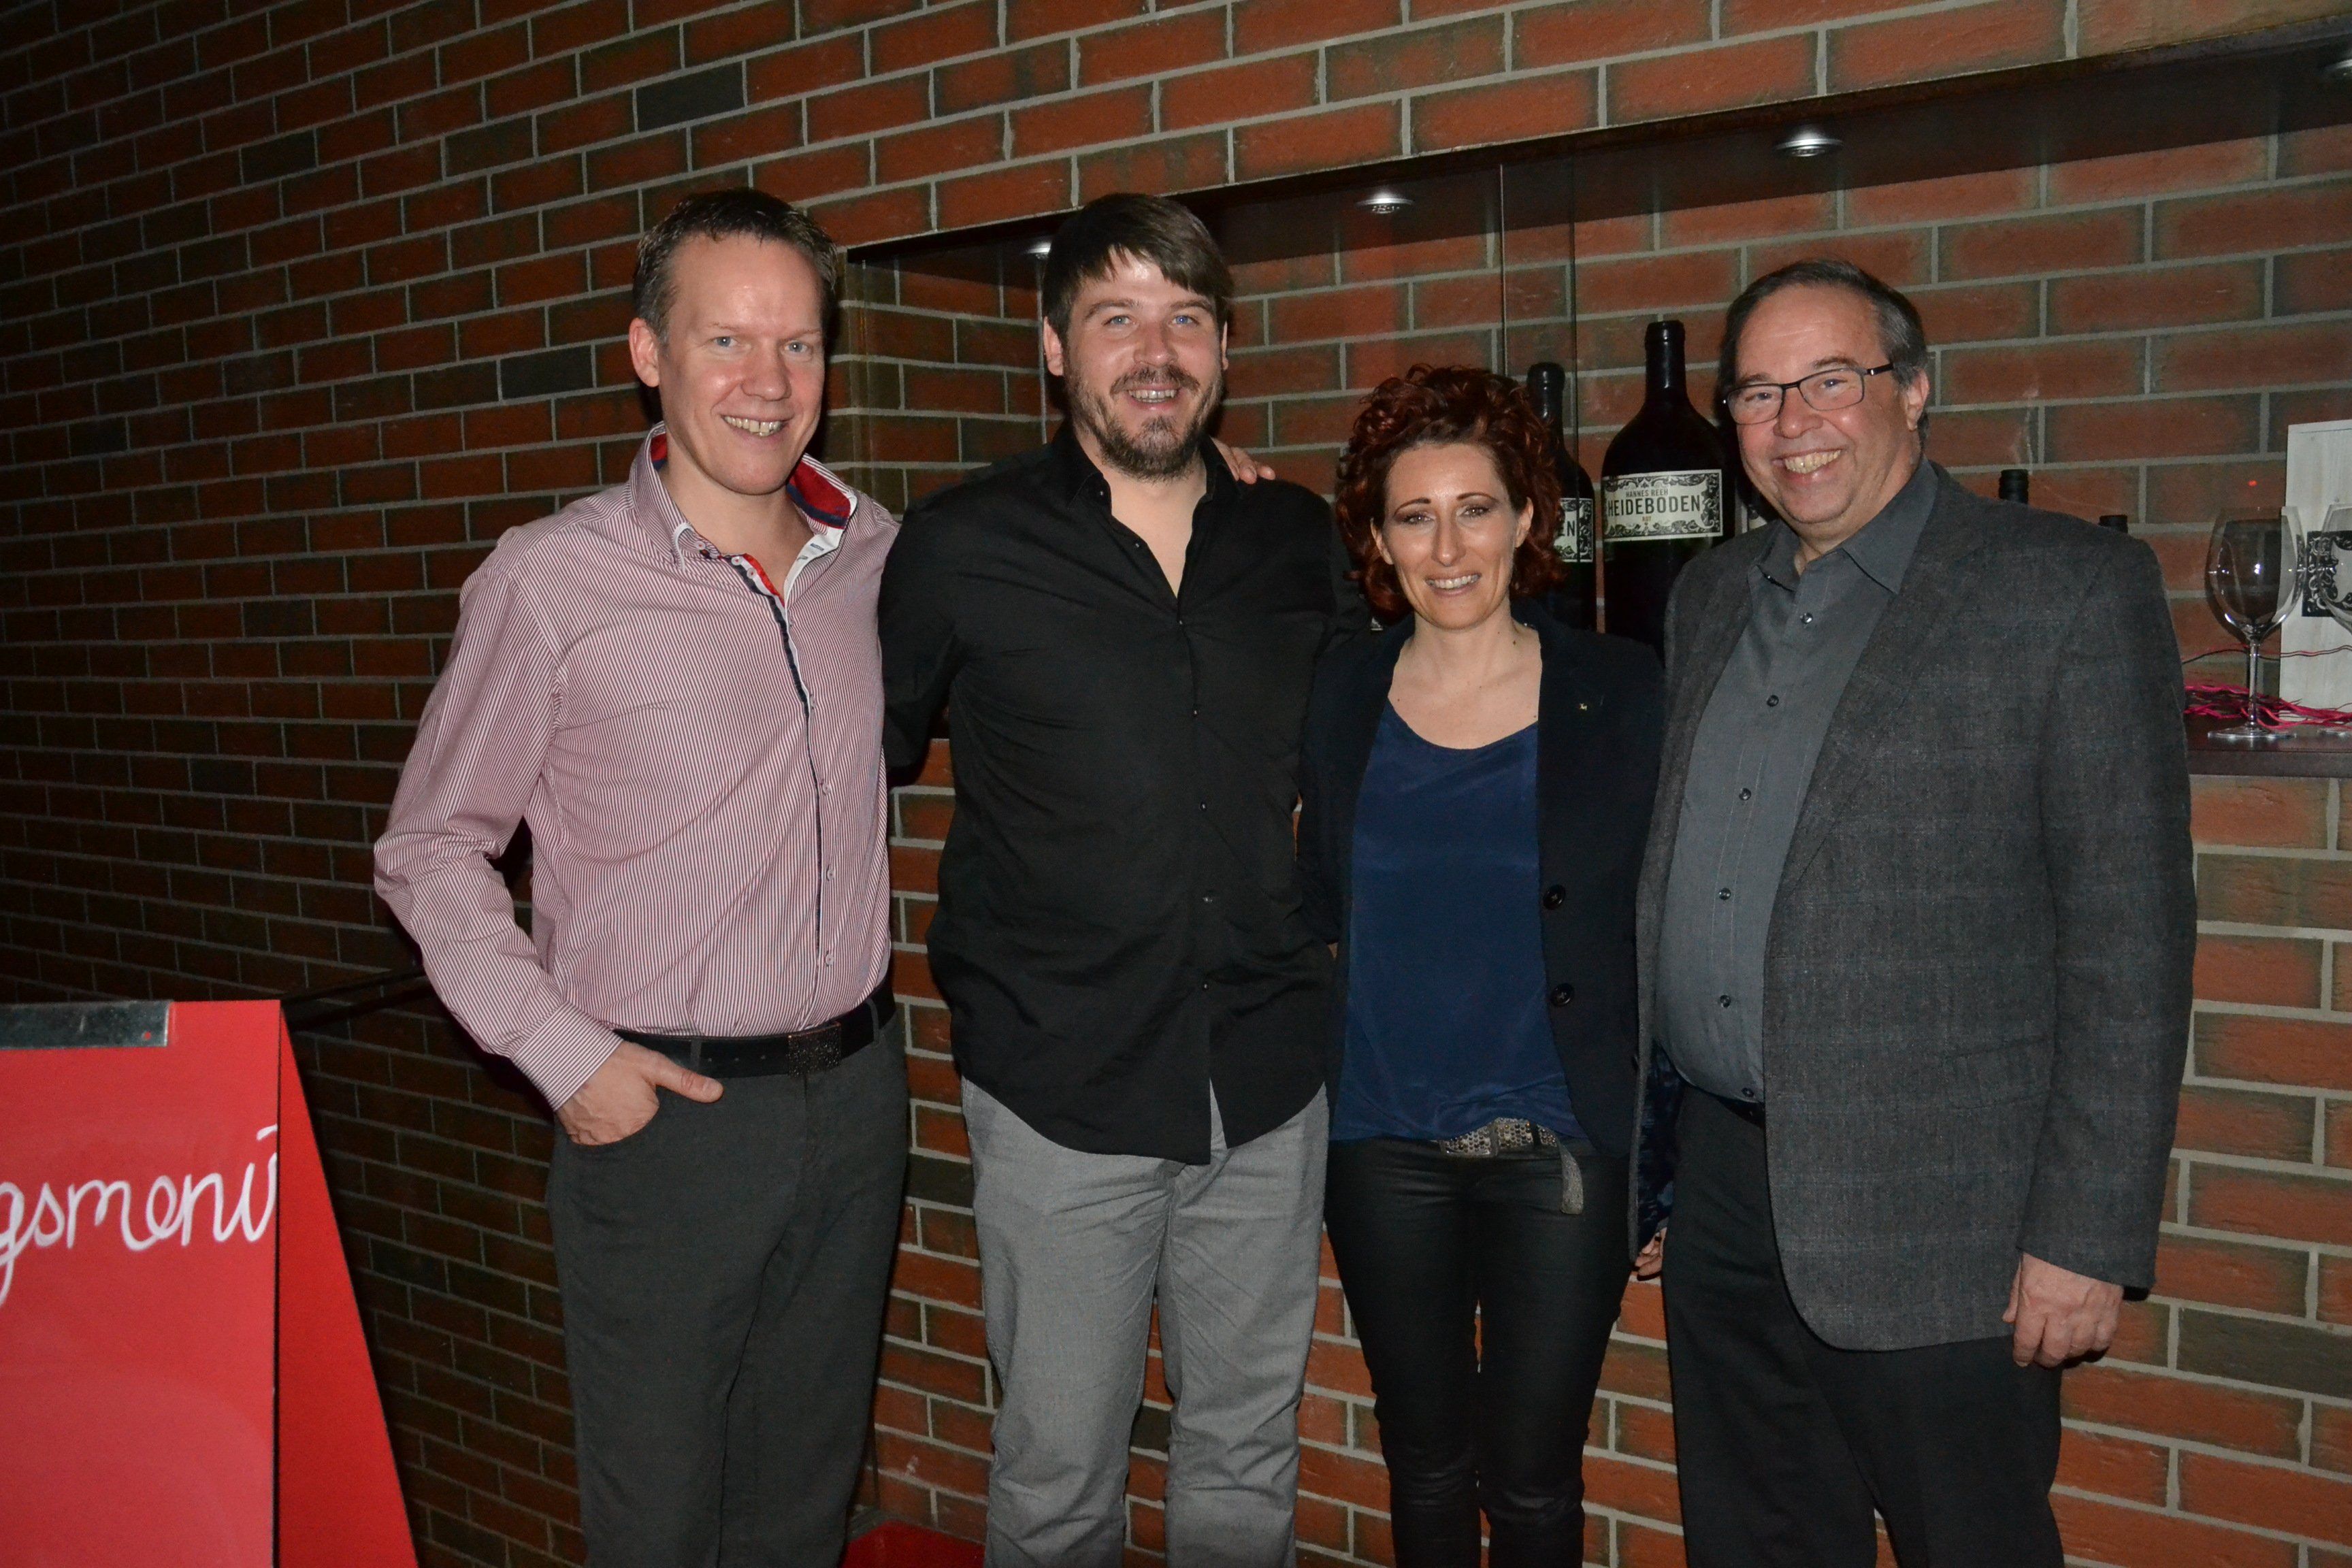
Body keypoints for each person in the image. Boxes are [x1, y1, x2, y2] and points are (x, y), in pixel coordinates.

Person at [1632, 258, 2195, 1567]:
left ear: (1916, 390)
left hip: (1947, 1217)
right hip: (1725, 1194)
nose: (1795, 423)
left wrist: (2084, 1238)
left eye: (1832, 380)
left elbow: (2131, 939)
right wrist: (1659, 1161)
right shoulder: (1711, 596)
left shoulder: (2064, 590)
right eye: (1759, 393)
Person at [374, 189, 907, 1567]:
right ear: (647, 354)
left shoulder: (881, 557)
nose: (767, 381)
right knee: (660, 1523)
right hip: (666, 1124)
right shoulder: (549, 582)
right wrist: (562, 1054)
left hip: (857, 1103)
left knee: (802, 1511)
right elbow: (429, 848)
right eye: (726, 340)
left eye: (798, 344)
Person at [879, 191, 1365, 1568]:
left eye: (1186, 318)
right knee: (1056, 1481)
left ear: (1224, 349)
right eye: (1117, 319)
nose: (1157, 353)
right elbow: (849, 758)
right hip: (1061, 1084)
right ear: (1054, 348)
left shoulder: (1294, 537)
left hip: (1266, 1076)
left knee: (1244, 1452)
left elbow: (1359, 753)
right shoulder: (962, 545)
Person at [1298, 366, 1663, 1567]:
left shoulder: (1621, 691)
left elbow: (1657, 936)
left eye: (1475, 510)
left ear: (1526, 519)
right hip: (1381, 1146)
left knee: (1534, 1478)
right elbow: (1314, 901)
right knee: (1426, 1464)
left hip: (1560, 1155)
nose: (1447, 548)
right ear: (1378, 538)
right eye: (1415, 516)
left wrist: (1663, 1153)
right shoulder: (1342, 691)